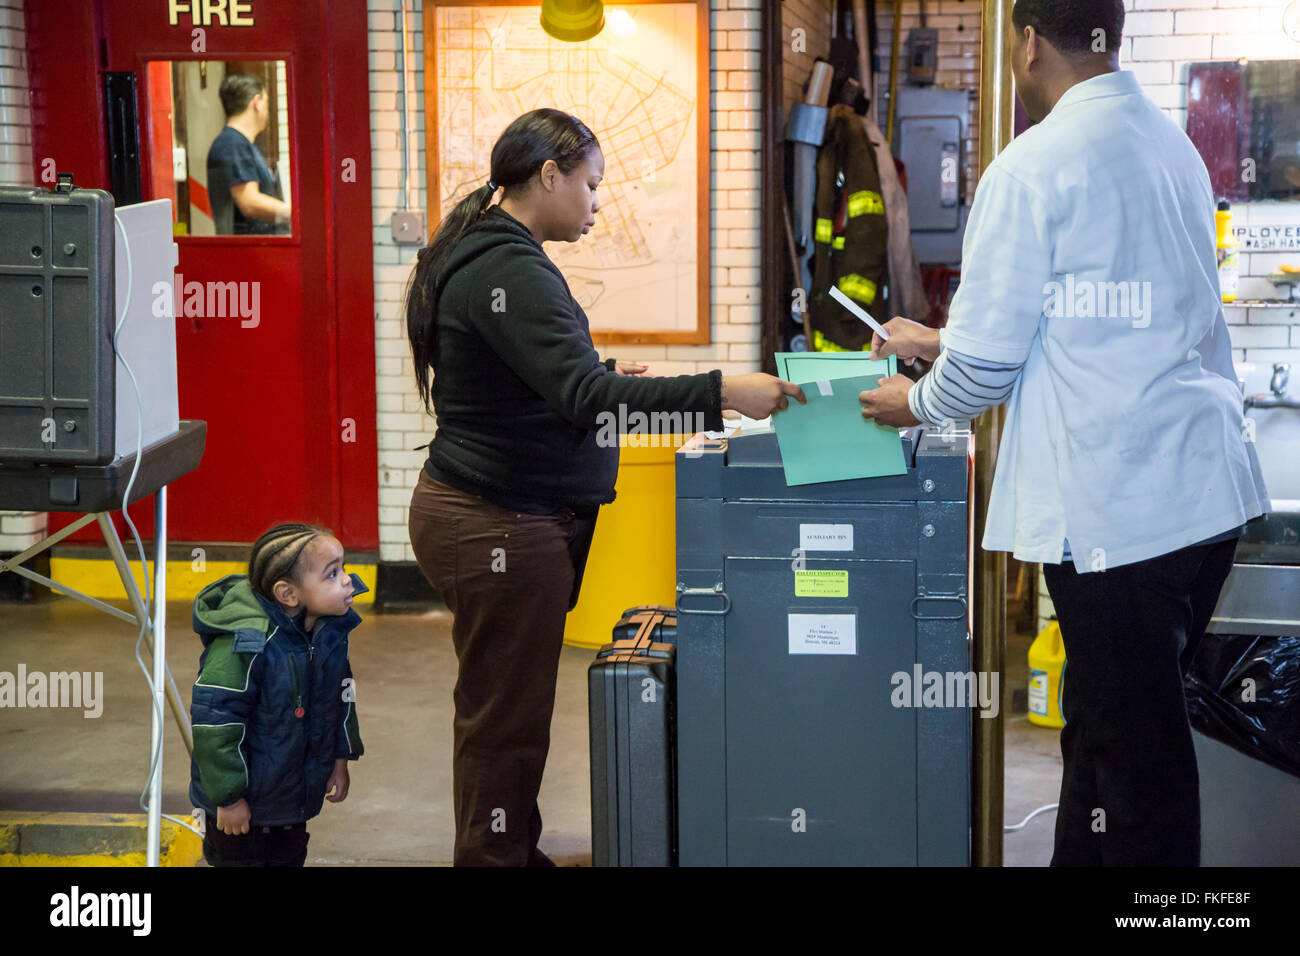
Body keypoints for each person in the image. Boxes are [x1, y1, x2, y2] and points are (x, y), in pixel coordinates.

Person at [859, 0, 1269, 866]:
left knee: (1139, 771)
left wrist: (917, 400)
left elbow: (981, 376)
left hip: (1119, 516)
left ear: (1028, 40)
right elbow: (1111, 319)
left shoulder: (1032, 168)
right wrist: (943, 341)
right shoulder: (1175, 149)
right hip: (1200, 504)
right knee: (1103, 728)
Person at [405, 107, 804, 866]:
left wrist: (608, 380)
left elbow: (554, 385)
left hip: (491, 515)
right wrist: (725, 391)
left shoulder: (495, 251)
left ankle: (512, 850)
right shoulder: (509, 268)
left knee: (503, 712)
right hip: (497, 524)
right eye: (590, 185)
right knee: (504, 722)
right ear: (548, 176)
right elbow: (586, 399)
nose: (596, 203)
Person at [189, 523, 365, 867]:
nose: (347, 580)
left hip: (290, 803)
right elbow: (215, 722)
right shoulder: (246, 644)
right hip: (241, 816)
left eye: (343, 567)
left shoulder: (325, 634)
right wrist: (229, 797)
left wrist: (340, 759)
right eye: (331, 574)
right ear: (288, 594)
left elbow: (340, 700)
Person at [206, 71, 291, 235]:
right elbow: (249, 203)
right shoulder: (232, 144)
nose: (267, 111)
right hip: (247, 252)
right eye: (266, 103)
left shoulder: (239, 144)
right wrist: (294, 213)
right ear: (257, 102)